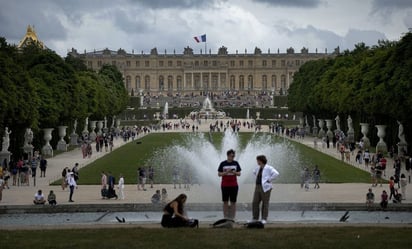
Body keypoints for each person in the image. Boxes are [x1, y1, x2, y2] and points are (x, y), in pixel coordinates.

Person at [251, 155, 279, 224]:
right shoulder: (258, 168)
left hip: (266, 187)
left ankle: (264, 218)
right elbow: (254, 172)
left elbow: (276, 173)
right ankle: (255, 218)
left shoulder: (269, 168)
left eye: (258, 160)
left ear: (261, 160)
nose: (257, 162)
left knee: (265, 203)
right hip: (258, 186)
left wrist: (269, 180)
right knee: (255, 202)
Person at [218, 149, 241, 219]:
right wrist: (226, 172)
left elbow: (239, 173)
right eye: (231, 156)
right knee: (225, 202)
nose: (233, 157)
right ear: (228, 155)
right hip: (225, 185)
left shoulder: (236, 163)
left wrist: (234, 172)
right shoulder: (223, 163)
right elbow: (219, 174)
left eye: (233, 156)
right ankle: (225, 217)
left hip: (234, 185)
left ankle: (232, 217)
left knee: (233, 202)